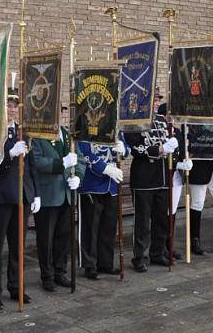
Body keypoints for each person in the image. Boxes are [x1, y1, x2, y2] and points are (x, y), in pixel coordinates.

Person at [0, 91, 40, 310]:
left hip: (21, 197)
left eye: (15, 105)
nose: (12, 109)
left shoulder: (23, 131)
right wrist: (9, 155)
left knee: (18, 247)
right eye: (8, 104)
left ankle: (16, 287)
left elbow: (31, 166)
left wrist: (36, 193)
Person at [124, 104, 182, 272]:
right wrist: (160, 149)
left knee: (161, 220)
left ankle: (157, 253)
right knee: (142, 222)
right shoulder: (135, 120)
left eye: (158, 99)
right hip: (144, 179)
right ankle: (139, 257)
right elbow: (135, 148)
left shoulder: (162, 121)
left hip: (162, 178)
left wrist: (173, 148)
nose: (156, 102)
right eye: (154, 98)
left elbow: (171, 144)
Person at [31, 118, 85, 292]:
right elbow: (37, 161)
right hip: (48, 195)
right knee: (46, 238)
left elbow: (79, 159)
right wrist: (61, 163)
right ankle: (46, 275)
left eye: (62, 112)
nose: (59, 116)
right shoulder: (38, 134)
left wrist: (78, 176)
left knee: (64, 236)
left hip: (67, 193)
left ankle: (60, 272)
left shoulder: (68, 135)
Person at [76, 139, 126, 279]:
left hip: (112, 186)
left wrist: (124, 149)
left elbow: (125, 147)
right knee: (90, 228)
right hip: (92, 185)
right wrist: (105, 168)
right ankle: (89, 265)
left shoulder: (114, 127)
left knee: (108, 228)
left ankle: (105, 263)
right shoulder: (86, 129)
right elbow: (85, 152)